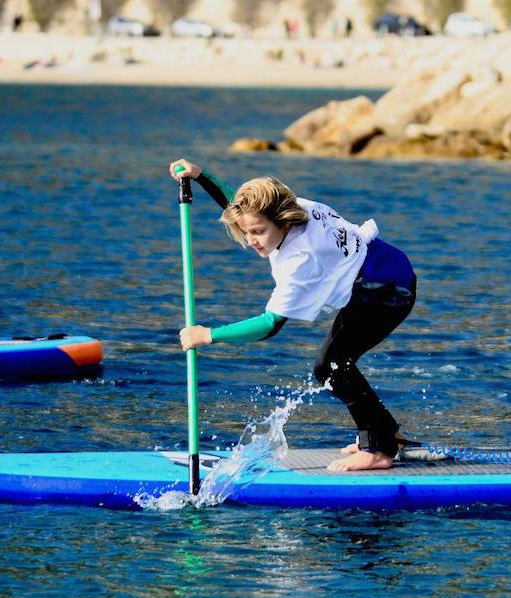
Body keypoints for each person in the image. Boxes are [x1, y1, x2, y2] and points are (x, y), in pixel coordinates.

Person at [170, 159, 417, 472]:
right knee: (336, 363)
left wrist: (209, 335)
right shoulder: (290, 204)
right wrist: (201, 176)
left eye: (258, 233)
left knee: (331, 367)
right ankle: (386, 434)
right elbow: (242, 206)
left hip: (387, 290)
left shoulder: (299, 260)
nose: (251, 241)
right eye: (247, 232)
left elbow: (270, 325)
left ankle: (380, 450)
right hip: (383, 266)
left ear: (282, 222)